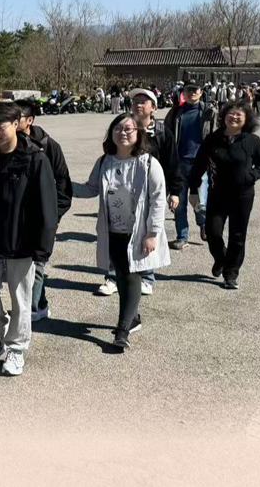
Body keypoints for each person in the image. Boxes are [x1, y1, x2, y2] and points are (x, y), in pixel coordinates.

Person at [0, 102, 58, 377]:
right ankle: (0, 326)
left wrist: (43, 247)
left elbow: (47, 205)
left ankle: (17, 349)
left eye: (0, 126)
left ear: (17, 123)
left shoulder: (35, 158)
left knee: (21, 299)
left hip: (22, 241)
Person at [72, 113, 170, 349]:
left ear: (138, 134)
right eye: (118, 128)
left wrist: (152, 233)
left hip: (137, 233)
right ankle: (133, 317)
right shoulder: (105, 161)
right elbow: (90, 188)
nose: (123, 133)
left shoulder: (148, 163)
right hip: (113, 231)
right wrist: (61, 184)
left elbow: (158, 200)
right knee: (122, 277)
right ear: (111, 133)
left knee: (132, 276)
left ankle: (122, 330)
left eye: (128, 129)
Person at [98, 88, 182, 297]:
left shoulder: (162, 133)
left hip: (149, 192)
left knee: (146, 233)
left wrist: (175, 191)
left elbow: (172, 163)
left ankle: (146, 277)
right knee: (116, 236)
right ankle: (112, 277)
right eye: (135, 101)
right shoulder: (124, 127)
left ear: (153, 107)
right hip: (122, 193)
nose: (138, 104)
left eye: (144, 101)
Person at [188, 101, 260, 289]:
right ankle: (221, 258)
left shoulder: (252, 140)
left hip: (242, 196)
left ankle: (231, 274)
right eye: (230, 114)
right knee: (212, 232)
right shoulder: (212, 139)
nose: (234, 117)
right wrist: (193, 190)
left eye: (239, 115)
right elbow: (199, 165)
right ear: (224, 116)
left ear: (246, 119)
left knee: (237, 235)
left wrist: (250, 176)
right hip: (217, 194)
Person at [13, 99, 72, 322]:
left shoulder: (49, 145)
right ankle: (40, 303)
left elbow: (63, 184)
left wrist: (54, 216)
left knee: (38, 262)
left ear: (29, 120)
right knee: (23, 264)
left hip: (43, 216)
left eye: (16, 117)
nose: (11, 121)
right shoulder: (5, 142)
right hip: (16, 217)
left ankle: (30, 310)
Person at [164, 84, 214, 249]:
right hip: (179, 163)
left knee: (200, 201)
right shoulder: (175, 113)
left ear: (201, 92)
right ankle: (182, 237)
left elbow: (217, 135)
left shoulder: (209, 112)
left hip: (201, 164)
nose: (192, 92)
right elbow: (166, 136)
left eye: (195, 90)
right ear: (183, 93)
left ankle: (203, 225)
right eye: (188, 90)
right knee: (179, 203)